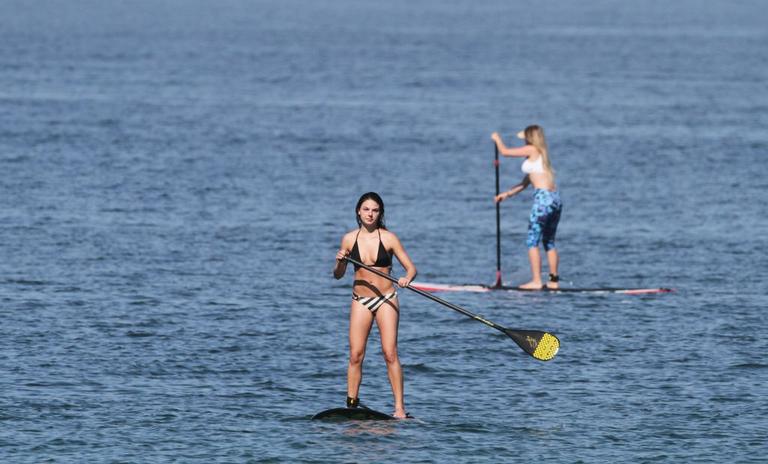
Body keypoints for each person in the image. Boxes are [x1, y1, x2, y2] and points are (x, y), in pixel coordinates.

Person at [333, 192, 417, 419]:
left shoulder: (388, 238)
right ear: (358, 212)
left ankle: (399, 408)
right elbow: (338, 275)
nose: (370, 214)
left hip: (386, 299)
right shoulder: (349, 239)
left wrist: (406, 279)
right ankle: (351, 405)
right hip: (360, 300)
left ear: (380, 213)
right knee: (356, 355)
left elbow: (411, 268)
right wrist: (340, 261)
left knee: (390, 353)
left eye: (375, 210)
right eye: (366, 209)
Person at [491, 125, 562, 290]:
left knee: (532, 241)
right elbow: (525, 183)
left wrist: (497, 139)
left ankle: (536, 281)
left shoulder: (532, 149)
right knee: (549, 242)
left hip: (543, 200)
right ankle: (553, 281)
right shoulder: (540, 157)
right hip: (555, 199)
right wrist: (506, 194)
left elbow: (505, 152)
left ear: (530, 137)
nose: (523, 140)